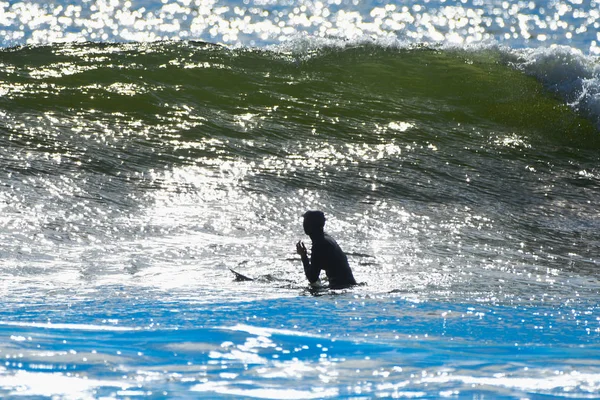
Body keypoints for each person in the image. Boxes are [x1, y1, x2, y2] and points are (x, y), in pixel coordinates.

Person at [296, 211, 357, 289]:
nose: (304, 225)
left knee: (312, 291)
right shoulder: (326, 238)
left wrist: (303, 256)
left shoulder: (319, 245)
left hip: (340, 287)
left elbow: (312, 278)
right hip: (348, 284)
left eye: (306, 222)